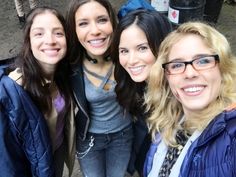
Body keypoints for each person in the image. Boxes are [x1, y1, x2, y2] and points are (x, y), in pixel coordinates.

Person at [143, 21, 236, 177]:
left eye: (203, 61)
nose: (189, 73)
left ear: (223, 68)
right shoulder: (168, 122)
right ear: (166, 76)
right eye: (177, 65)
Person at [65, 0, 133, 177]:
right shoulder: (69, 66)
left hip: (123, 136)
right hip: (89, 140)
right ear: (74, 29)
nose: (95, 30)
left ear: (112, 21)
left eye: (102, 20)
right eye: (83, 23)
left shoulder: (127, 56)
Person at [8, 7, 75, 177]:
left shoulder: (62, 73)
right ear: (28, 41)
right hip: (31, 165)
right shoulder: (14, 89)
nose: (50, 40)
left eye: (58, 33)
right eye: (39, 34)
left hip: (57, 150)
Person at [111, 8, 172, 176]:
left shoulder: (180, 95)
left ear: (162, 46)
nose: (131, 60)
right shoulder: (138, 85)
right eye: (124, 51)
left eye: (142, 48)